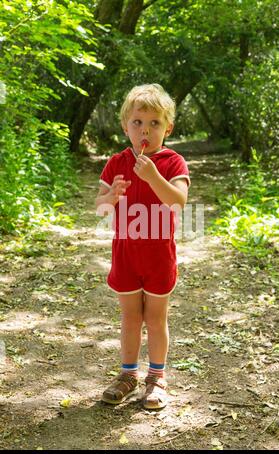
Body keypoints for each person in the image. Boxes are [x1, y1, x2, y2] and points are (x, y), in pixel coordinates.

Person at [96, 84, 190, 410]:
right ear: (125, 126)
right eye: (137, 122)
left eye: (154, 123)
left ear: (168, 128)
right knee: (130, 318)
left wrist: (153, 178)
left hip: (158, 256)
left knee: (156, 318)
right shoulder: (116, 162)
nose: (145, 130)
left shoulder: (172, 162)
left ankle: (157, 377)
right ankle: (127, 374)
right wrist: (111, 197)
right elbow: (100, 206)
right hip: (126, 254)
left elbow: (178, 201)